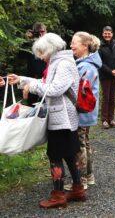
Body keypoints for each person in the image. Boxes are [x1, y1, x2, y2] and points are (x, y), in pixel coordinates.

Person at [8, 33, 85, 208]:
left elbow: (55, 89)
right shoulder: (57, 62)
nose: (41, 57)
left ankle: (59, 196)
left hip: (62, 118)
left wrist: (32, 86)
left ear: (50, 49)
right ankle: (78, 189)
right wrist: (21, 80)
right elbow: (45, 82)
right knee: (70, 153)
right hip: (63, 117)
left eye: (42, 52)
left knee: (56, 155)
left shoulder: (63, 64)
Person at [68, 31, 102, 190]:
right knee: (85, 142)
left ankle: (81, 180)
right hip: (88, 113)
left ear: (84, 46)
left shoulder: (85, 66)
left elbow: (77, 91)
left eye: (74, 42)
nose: (71, 45)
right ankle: (89, 176)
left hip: (83, 112)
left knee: (79, 144)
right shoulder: (88, 64)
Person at [99, 26, 115, 129]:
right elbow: (100, 62)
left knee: (112, 98)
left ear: (112, 34)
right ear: (102, 34)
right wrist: (110, 71)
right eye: (105, 33)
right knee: (106, 98)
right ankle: (104, 120)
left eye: (109, 33)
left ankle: (111, 119)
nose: (107, 35)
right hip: (105, 75)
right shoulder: (99, 46)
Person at [25, 22, 48, 105]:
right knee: (32, 105)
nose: (41, 34)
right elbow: (20, 54)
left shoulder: (51, 43)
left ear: (46, 31)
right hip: (33, 78)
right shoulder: (29, 45)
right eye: (38, 32)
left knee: (45, 106)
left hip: (46, 78)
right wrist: (27, 40)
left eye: (42, 32)